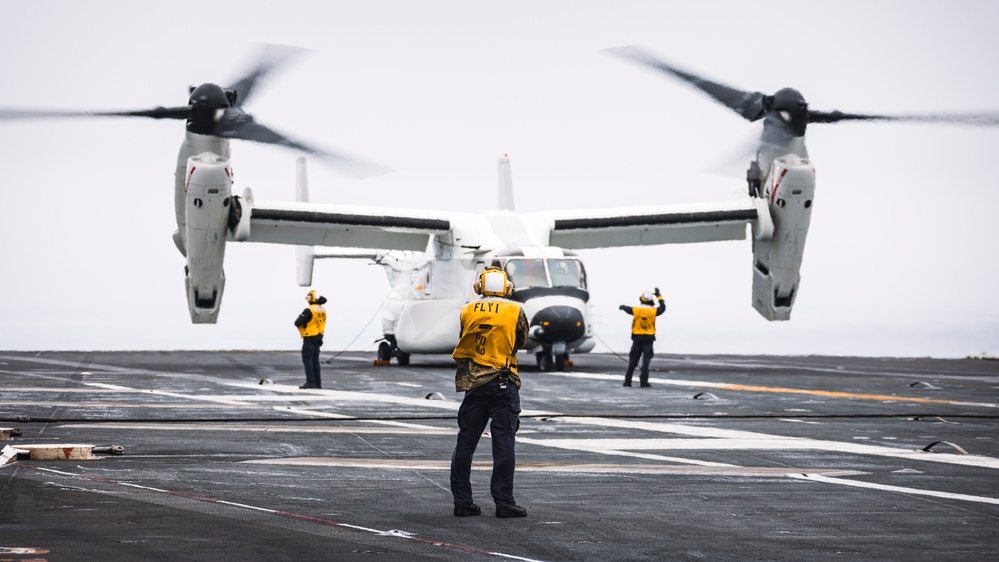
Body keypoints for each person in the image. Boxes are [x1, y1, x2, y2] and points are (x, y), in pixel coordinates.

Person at [450, 266, 530, 518]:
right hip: (503, 384)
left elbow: (465, 335)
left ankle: (463, 503)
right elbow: (520, 341)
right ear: (507, 288)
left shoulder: (467, 309)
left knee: (465, 443)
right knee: (504, 443)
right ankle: (504, 503)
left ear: (479, 287)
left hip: (473, 384)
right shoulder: (515, 309)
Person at [619, 287, 666, 388]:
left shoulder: (636, 310)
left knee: (633, 361)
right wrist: (659, 296)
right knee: (646, 361)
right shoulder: (653, 311)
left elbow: (627, 309)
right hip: (649, 338)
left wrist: (622, 307)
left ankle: (628, 381)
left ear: (641, 299)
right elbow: (662, 308)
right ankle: (643, 382)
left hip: (637, 338)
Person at [294, 290, 327, 389]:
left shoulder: (310, 310)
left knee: (307, 359)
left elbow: (297, 322)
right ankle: (317, 383)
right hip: (319, 336)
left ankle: (310, 382)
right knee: (315, 360)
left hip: (310, 337)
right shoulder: (322, 309)